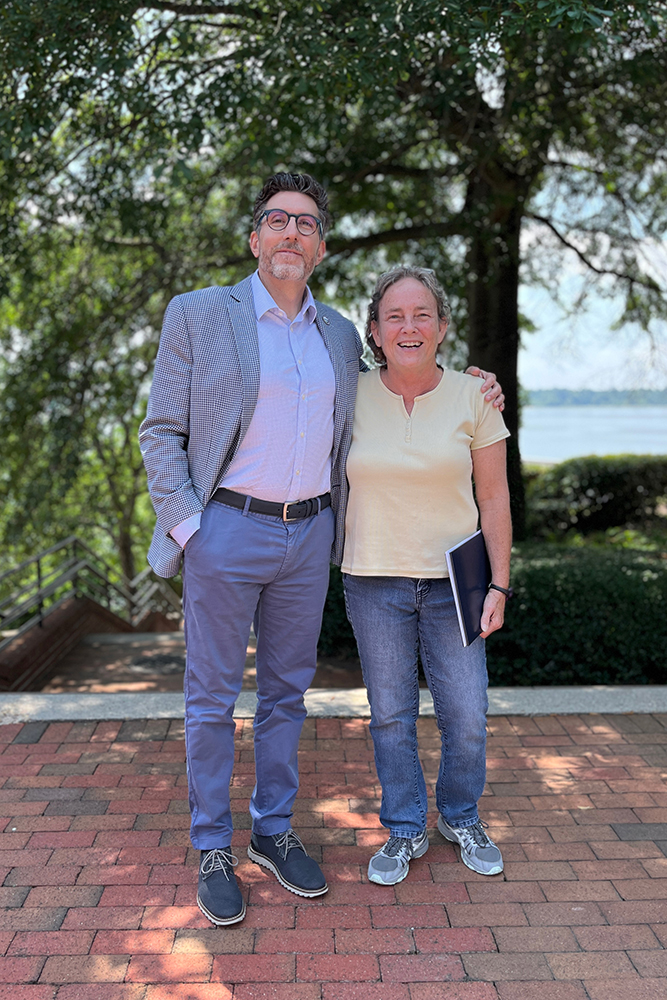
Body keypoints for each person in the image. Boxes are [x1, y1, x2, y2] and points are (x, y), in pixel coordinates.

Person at [139, 173, 504, 927]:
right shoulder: (200, 315)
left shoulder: (338, 333)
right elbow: (160, 431)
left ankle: (271, 830)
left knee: (284, 695)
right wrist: (190, 528)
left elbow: (412, 378)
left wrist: (480, 384)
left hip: (310, 537)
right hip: (224, 528)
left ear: (321, 245)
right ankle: (213, 844)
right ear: (254, 239)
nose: (290, 234)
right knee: (210, 698)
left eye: (305, 224)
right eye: (276, 220)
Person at [341, 265, 512, 886]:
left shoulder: (474, 398)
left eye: (421, 316)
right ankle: (406, 826)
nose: (408, 327)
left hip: (457, 580)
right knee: (390, 715)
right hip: (372, 578)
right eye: (394, 317)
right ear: (376, 332)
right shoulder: (350, 393)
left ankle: (460, 815)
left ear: (442, 327)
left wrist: (499, 583)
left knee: (466, 714)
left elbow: (494, 499)